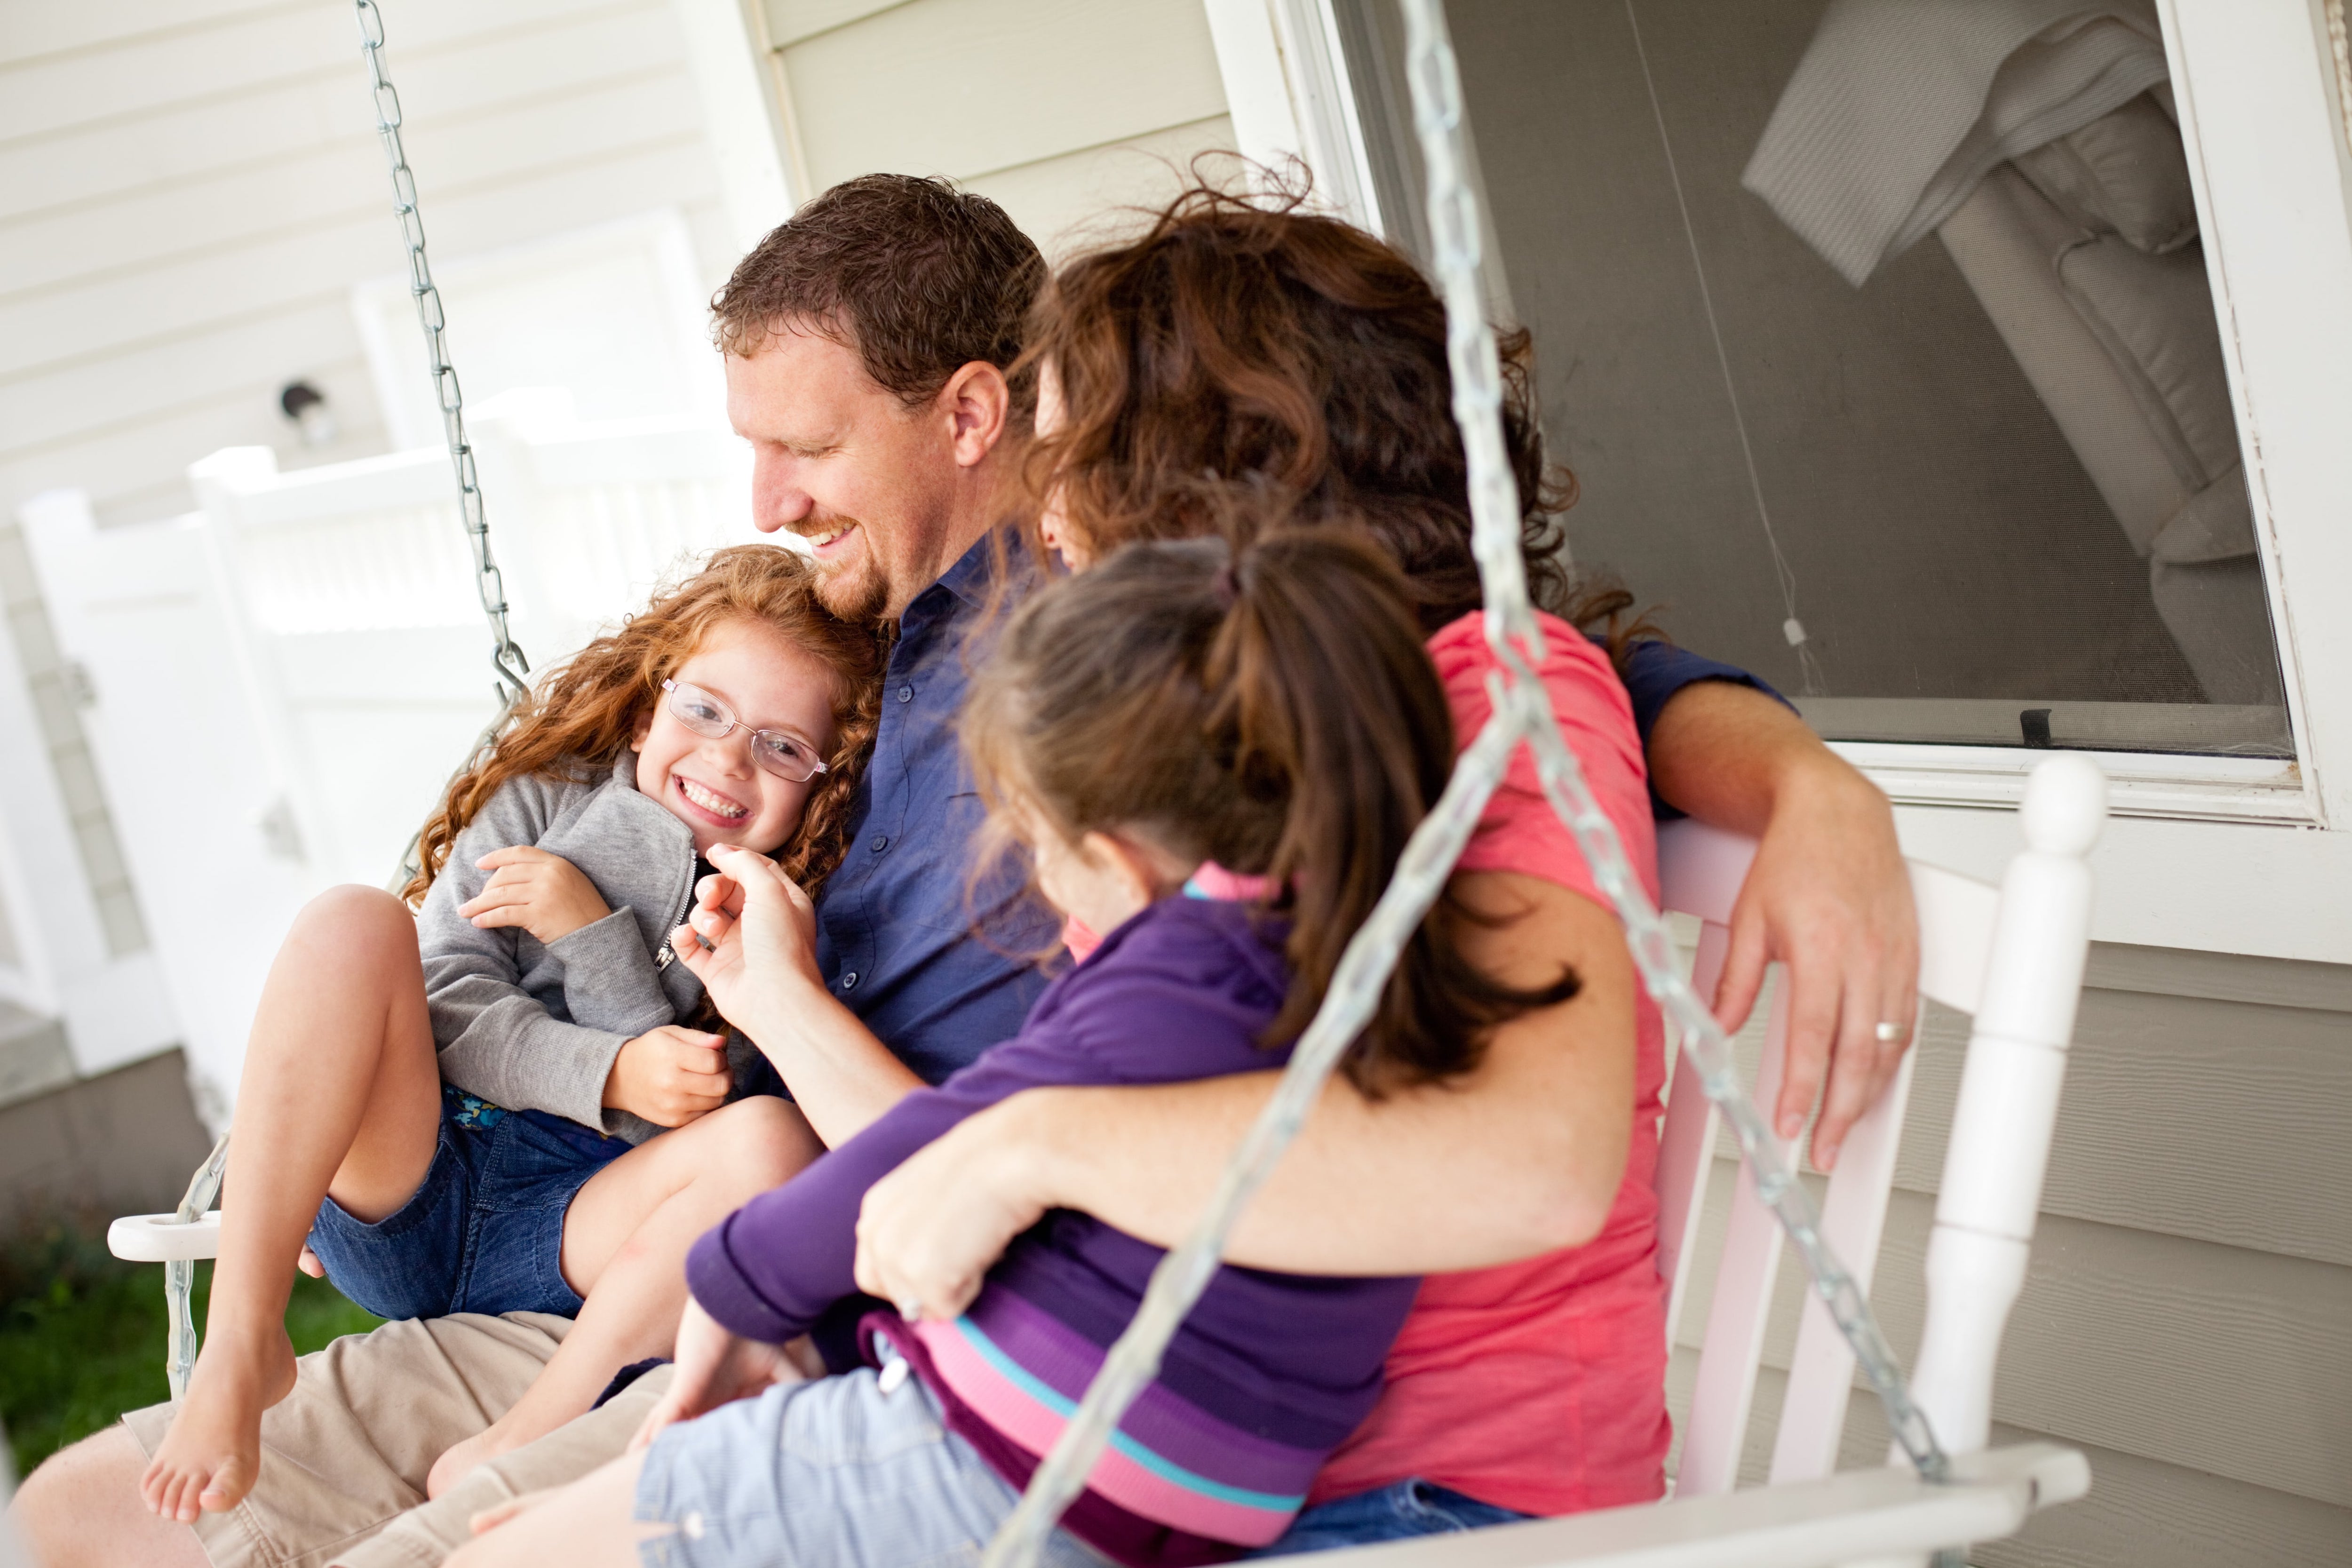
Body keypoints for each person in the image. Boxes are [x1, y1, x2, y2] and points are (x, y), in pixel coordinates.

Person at [9, 173, 1914, 1568]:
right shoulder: (1014, 664)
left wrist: (1799, 774)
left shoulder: (1279, 690)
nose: (1051, 498)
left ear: (1191, 487)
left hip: (1112, 1399)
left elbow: (1538, 677)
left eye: (1075, 442)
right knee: (81, 1522)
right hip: (860, 1299)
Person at [454, 524, 1635, 1568]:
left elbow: (926, 1145)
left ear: (1118, 862)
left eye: (1032, 843)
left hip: (1029, 1452)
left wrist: (735, 1289)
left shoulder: (1160, 984)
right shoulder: (1359, 962)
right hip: (1226, 1490)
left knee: (523, 1550)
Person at [135, 548, 882, 1524]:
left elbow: (674, 1137)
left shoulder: (771, 908)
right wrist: (608, 1064)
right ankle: (242, 1334)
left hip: (574, 1233)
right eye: (705, 709)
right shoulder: (544, 800)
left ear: (823, 782)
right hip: (418, 1171)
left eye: (783, 747)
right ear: (656, 700)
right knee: (353, 922)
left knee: (771, 1143)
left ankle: (524, 1431)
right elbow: (446, 1000)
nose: (728, 760)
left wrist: (594, 944)